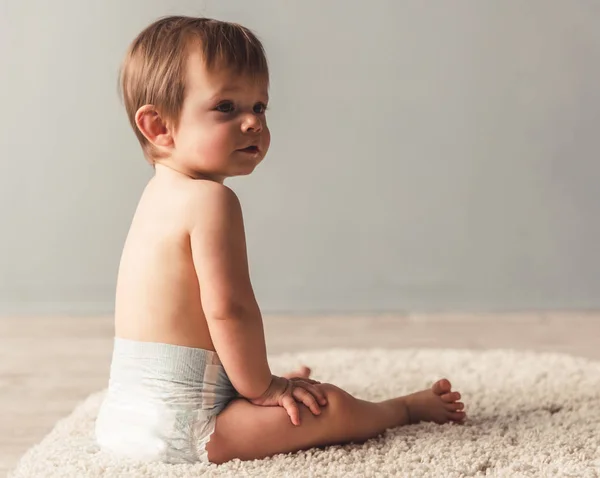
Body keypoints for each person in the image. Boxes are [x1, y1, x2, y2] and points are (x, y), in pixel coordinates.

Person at [94, 15, 466, 465]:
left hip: (122, 420)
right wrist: (264, 387)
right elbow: (229, 310)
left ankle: (239, 393)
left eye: (260, 106)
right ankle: (401, 408)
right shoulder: (212, 201)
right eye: (226, 107)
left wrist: (244, 384)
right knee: (327, 406)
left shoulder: (156, 197)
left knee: (277, 395)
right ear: (159, 127)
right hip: (190, 429)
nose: (252, 122)